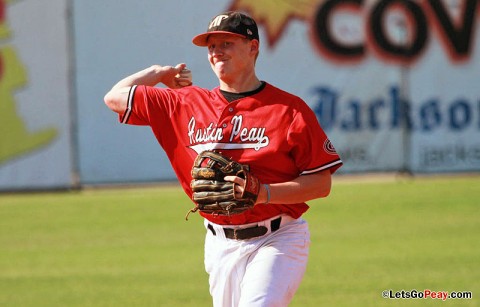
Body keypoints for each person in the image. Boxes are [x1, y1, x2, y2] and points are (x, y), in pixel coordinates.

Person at [104, 11, 342, 307]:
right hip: (219, 245)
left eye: (226, 43)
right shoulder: (184, 102)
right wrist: (160, 73)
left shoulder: (289, 109)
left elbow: (321, 184)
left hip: (277, 238)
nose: (217, 51)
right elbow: (114, 97)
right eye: (211, 46)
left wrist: (264, 193)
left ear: (253, 47)